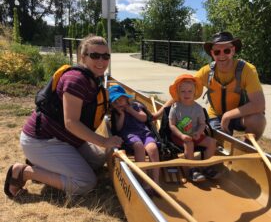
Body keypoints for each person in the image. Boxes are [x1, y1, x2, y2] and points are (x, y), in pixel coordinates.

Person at [4, 35, 123, 198]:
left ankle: (44, 164)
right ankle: (24, 172)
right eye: (95, 55)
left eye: (106, 56)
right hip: (43, 140)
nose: (101, 60)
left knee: (97, 161)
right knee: (85, 182)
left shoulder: (94, 78)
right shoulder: (76, 80)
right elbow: (71, 123)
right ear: (83, 57)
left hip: (67, 140)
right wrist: (103, 141)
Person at [195, 31, 266, 140]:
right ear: (212, 53)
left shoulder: (247, 70)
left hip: (239, 116)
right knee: (214, 141)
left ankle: (247, 148)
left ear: (233, 50)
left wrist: (228, 116)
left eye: (226, 50)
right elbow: (184, 90)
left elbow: (259, 105)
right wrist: (162, 110)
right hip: (215, 116)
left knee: (258, 120)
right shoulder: (206, 71)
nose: (222, 55)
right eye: (217, 52)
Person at [108, 85, 160, 195]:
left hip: (144, 133)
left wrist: (130, 110)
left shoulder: (136, 106)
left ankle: (156, 182)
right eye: (115, 102)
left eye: (120, 100)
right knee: (138, 146)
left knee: (153, 148)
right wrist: (122, 114)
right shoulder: (117, 113)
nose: (118, 104)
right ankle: (144, 181)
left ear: (126, 98)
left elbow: (144, 118)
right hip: (129, 135)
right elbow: (118, 128)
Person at [168, 74, 217, 182]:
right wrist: (181, 135)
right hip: (179, 136)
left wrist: (199, 132)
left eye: (190, 91)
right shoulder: (175, 107)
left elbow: (202, 124)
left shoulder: (198, 108)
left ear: (195, 92)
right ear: (178, 93)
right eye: (183, 91)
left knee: (212, 142)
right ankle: (192, 169)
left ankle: (206, 166)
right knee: (189, 144)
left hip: (195, 134)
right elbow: (171, 125)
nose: (186, 94)